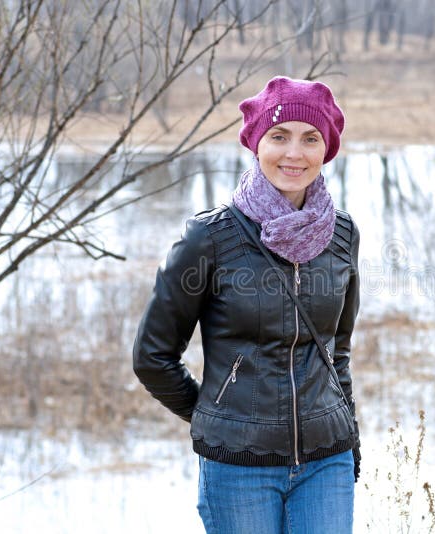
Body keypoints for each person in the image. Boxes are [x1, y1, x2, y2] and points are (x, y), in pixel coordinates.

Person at [133, 76, 361, 534]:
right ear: (257, 143)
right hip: (239, 467)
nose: (293, 154)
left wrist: (349, 431)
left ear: (326, 149)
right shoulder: (210, 238)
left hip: (327, 460)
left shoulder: (342, 235)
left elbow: (336, 349)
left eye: (309, 139)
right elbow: (152, 357)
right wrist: (214, 415)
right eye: (279, 136)